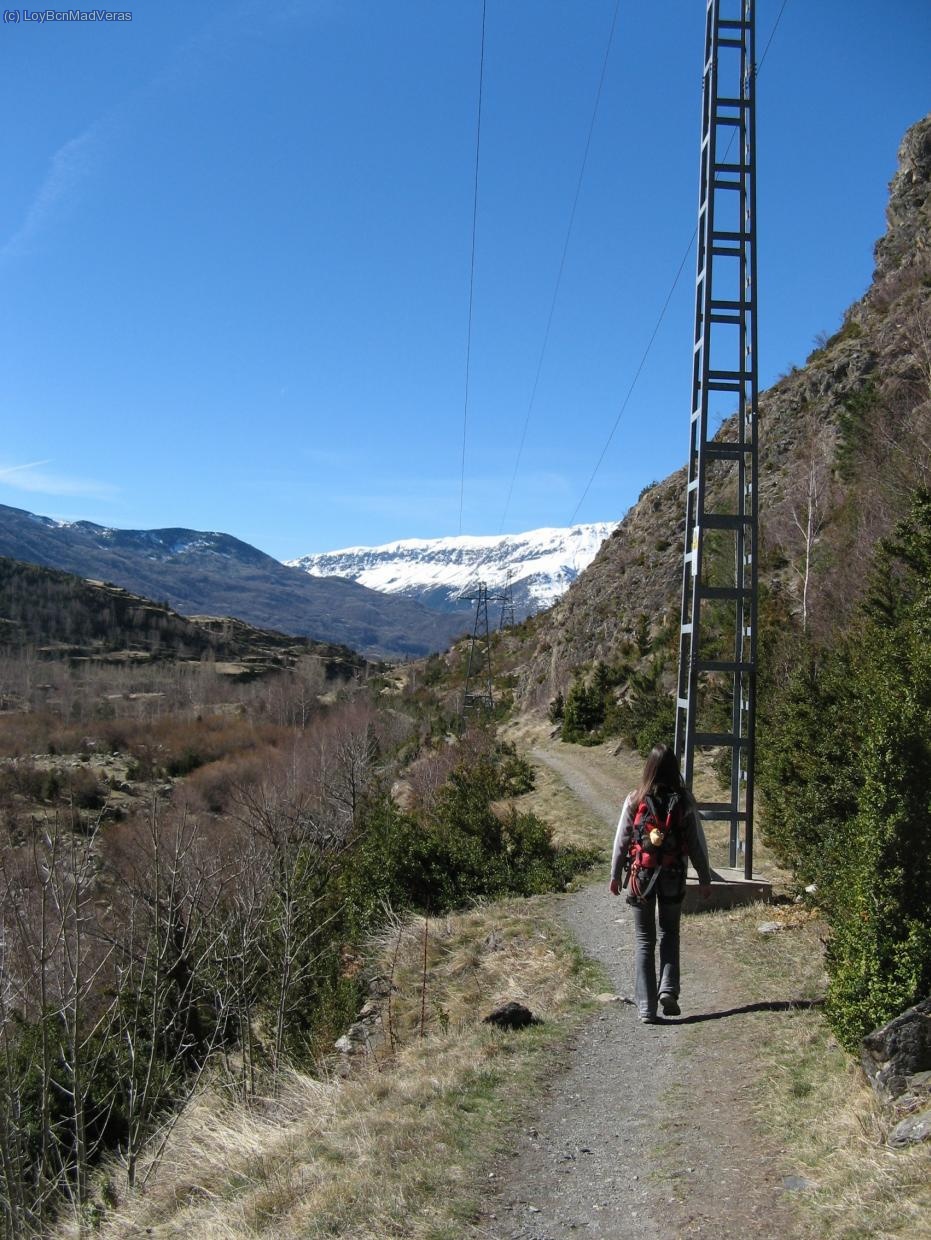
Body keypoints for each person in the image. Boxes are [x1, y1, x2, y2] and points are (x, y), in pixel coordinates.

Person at [609, 743, 712, 1023]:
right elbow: (695, 844)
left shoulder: (635, 799)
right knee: (669, 933)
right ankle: (668, 989)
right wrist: (705, 877)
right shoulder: (684, 801)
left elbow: (622, 841)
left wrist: (615, 875)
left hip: (641, 877)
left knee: (645, 940)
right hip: (673, 875)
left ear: (649, 768)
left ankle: (646, 1008)